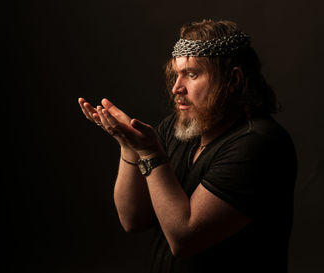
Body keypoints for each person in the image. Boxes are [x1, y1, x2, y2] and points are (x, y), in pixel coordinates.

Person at [78, 19, 297, 273]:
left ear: (233, 80)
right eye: (176, 74)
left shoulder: (259, 144)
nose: (176, 88)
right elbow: (133, 220)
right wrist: (129, 146)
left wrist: (149, 152)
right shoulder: (178, 128)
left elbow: (184, 238)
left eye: (192, 74)